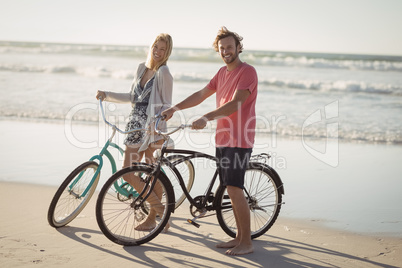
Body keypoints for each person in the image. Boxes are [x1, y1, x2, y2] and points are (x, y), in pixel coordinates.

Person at [162, 27, 258, 255]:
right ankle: (238, 238)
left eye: (230, 47)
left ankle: (247, 243)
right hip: (223, 137)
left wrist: (206, 117)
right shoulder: (221, 73)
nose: (226, 51)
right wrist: (175, 108)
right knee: (228, 188)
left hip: (239, 139)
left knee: (235, 188)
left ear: (238, 48)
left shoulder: (247, 72)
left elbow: (236, 104)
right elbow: (201, 94)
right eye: (222, 48)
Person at [96, 33, 173, 231]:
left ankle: (158, 215)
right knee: (135, 174)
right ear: (151, 46)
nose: (158, 51)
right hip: (134, 126)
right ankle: (159, 214)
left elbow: (167, 105)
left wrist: (158, 126)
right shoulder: (142, 68)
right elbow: (132, 97)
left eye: (162, 49)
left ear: (167, 52)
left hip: (151, 129)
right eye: (156, 47)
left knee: (133, 174)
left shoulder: (164, 73)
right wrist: (107, 95)